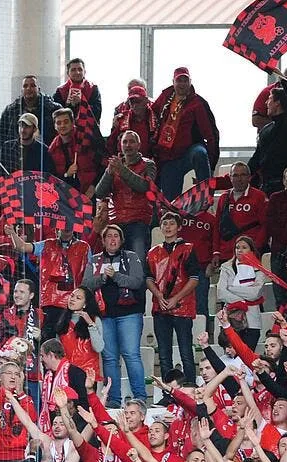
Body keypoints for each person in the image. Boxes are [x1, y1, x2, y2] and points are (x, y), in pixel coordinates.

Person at [82, 225, 146, 407]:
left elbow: (137, 281)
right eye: (108, 236)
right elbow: (86, 284)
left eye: (115, 236)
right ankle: (113, 399)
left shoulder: (131, 257)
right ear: (103, 241)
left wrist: (115, 276)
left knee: (131, 355)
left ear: (121, 239)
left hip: (130, 313)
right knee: (109, 358)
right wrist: (103, 278)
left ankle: (140, 398)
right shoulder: (94, 260)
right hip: (104, 315)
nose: (112, 239)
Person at [146, 212, 201, 383]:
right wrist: (158, 295)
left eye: (171, 223)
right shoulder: (153, 252)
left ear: (179, 227)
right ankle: (169, 391)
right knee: (164, 354)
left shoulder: (188, 248)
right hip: (160, 307)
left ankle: (190, 387)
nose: (168, 227)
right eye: (165, 224)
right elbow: (148, 278)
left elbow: (194, 278)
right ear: (160, 227)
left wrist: (176, 298)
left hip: (183, 307)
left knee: (186, 352)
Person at [152, 67, 220, 199]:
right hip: (168, 157)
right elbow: (150, 113)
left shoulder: (198, 103)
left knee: (200, 153)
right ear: (173, 82)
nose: (182, 84)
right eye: (179, 80)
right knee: (171, 202)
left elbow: (210, 134)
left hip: (189, 152)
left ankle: (205, 196)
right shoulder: (165, 96)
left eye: (185, 80)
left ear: (190, 82)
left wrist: (211, 164)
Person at [93, 130, 156, 263]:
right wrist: (109, 173)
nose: (128, 145)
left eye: (132, 141)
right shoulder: (115, 164)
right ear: (120, 146)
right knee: (115, 264)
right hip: (116, 222)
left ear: (139, 145)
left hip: (138, 222)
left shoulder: (148, 164)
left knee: (138, 264)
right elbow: (99, 193)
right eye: (125, 142)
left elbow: (145, 186)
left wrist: (121, 170)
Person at [216, 236, 267, 351]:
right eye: (237, 247)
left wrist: (231, 288)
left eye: (244, 247)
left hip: (252, 321)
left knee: (248, 357)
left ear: (251, 251)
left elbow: (255, 294)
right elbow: (221, 293)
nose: (239, 250)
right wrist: (243, 301)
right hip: (230, 318)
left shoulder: (259, 269)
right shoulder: (226, 267)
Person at [0, 75, 61, 151]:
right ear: (21, 90)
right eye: (25, 86)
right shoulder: (10, 110)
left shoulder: (53, 109)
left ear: (39, 89)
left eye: (33, 85)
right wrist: (7, 153)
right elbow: (1, 134)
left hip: (46, 154)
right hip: (17, 155)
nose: (29, 88)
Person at [0, 112, 52, 178]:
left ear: (35, 129)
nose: (22, 130)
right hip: (9, 187)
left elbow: (48, 176)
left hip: (33, 187)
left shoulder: (43, 150)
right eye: (21, 126)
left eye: (27, 126)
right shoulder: (7, 146)